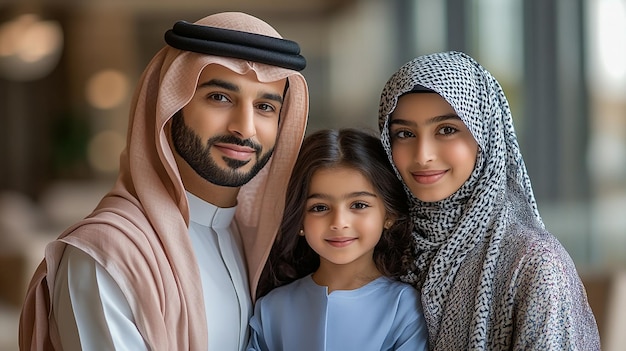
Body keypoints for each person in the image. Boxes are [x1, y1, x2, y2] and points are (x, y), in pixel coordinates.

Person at [19, 12, 309, 350]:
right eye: (219, 97)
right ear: (169, 107)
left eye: (265, 106)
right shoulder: (108, 256)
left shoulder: (258, 246)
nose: (244, 127)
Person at [377, 51, 600, 350]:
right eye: (404, 133)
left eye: (446, 130)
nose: (423, 155)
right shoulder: (383, 248)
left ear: (486, 134)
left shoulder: (534, 264)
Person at [249, 128, 429, 351]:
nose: (339, 222)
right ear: (299, 221)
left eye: (359, 205)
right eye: (320, 207)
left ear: (389, 215)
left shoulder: (404, 308)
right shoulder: (271, 309)